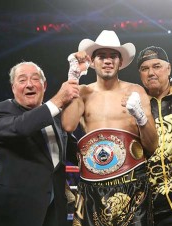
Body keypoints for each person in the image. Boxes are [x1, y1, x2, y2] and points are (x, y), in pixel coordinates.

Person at [61, 30, 158, 226]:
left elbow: (152, 145)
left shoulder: (135, 91)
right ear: (92, 61)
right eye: (101, 56)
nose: (107, 61)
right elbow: (68, 125)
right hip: (92, 185)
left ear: (120, 62)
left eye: (113, 56)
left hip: (132, 182)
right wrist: (73, 78)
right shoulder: (82, 92)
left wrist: (139, 116)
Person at [0, 62, 79, 226]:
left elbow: (75, 154)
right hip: (13, 211)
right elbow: (21, 128)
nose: (30, 84)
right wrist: (58, 100)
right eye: (22, 80)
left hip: (54, 209)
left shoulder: (56, 117)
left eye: (35, 79)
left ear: (44, 85)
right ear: (13, 87)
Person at [136, 46, 172, 226]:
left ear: (168, 68)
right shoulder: (135, 103)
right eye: (144, 69)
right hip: (146, 204)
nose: (151, 73)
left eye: (156, 66)